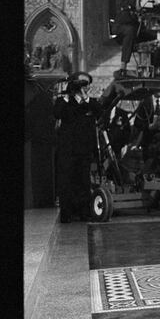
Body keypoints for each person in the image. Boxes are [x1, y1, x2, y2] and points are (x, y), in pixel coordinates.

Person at [52, 72, 103, 223]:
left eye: (87, 84)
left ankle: (84, 212)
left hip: (84, 149)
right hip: (68, 149)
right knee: (66, 181)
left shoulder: (91, 103)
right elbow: (58, 113)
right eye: (82, 84)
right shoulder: (64, 101)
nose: (85, 87)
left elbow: (100, 112)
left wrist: (86, 99)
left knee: (83, 182)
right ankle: (67, 214)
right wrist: (69, 97)